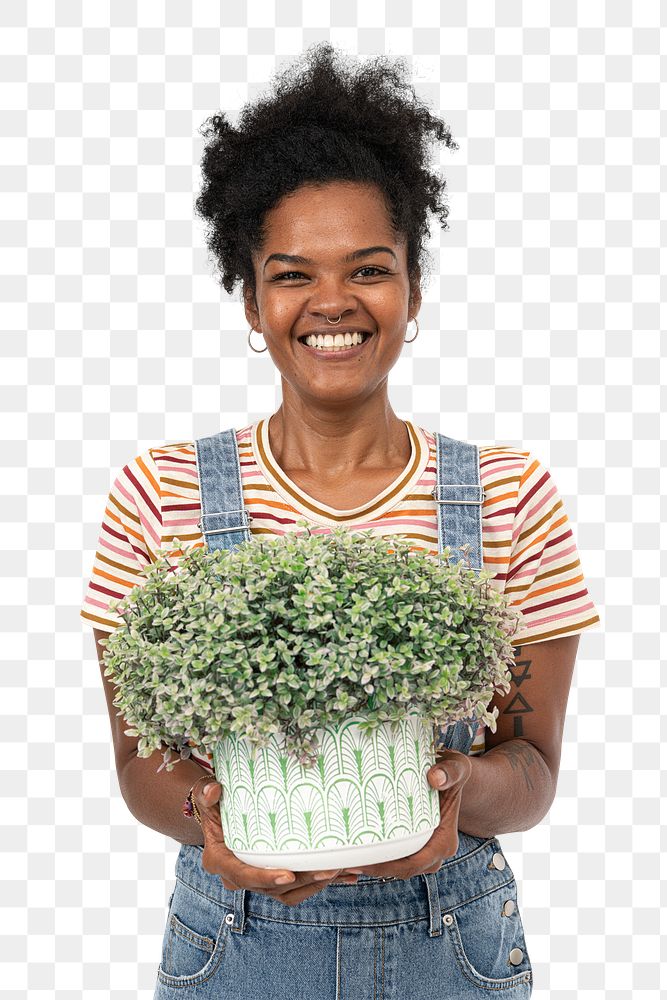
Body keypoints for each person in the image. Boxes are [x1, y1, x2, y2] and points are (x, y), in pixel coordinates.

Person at [81, 42, 601, 998]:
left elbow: (530, 769)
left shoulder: (508, 492)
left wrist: (451, 795)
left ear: (412, 290)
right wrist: (210, 815)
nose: (331, 304)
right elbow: (135, 764)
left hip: (452, 939)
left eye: (368, 269)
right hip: (236, 941)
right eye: (290, 275)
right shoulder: (160, 493)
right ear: (249, 297)